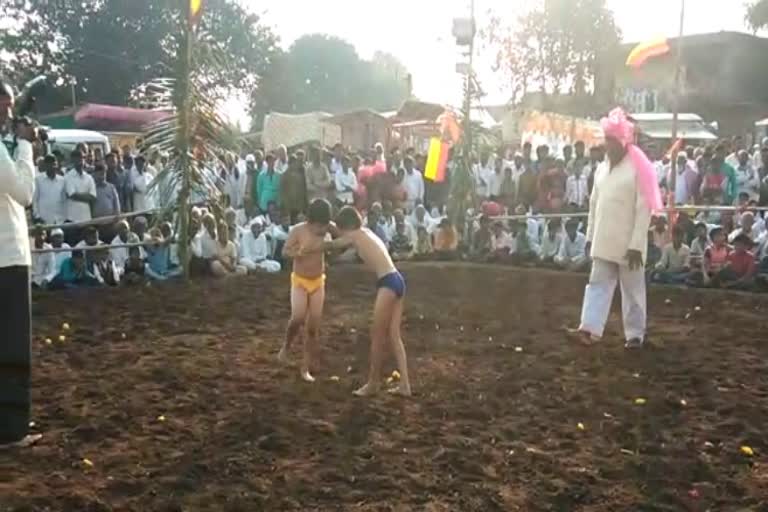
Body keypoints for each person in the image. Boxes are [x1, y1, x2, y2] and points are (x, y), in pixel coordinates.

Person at [572, 108, 661, 349]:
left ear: (623, 141)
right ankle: (589, 328)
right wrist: (590, 236)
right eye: (606, 140)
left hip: (629, 243)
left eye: (612, 140)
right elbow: (593, 204)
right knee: (597, 283)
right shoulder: (602, 167)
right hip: (603, 238)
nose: (607, 145)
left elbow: (644, 210)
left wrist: (635, 245)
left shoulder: (638, 168)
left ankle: (634, 335)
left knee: (632, 290)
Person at [319, 206, 411, 397]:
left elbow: (333, 245)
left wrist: (310, 246)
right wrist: (329, 225)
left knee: (377, 336)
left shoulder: (355, 236)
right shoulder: (365, 232)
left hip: (387, 283)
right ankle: (405, 385)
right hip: (397, 280)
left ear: (348, 226)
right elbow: (341, 234)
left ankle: (373, 383)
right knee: (394, 336)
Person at [277, 199, 333, 382]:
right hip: (300, 280)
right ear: (310, 221)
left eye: (324, 226)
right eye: (319, 226)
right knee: (298, 317)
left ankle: (305, 368)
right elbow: (284, 252)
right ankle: (286, 346)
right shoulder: (298, 230)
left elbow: (343, 238)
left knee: (312, 327)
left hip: (318, 280)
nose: (321, 230)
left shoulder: (327, 228)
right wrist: (297, 253)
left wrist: (331, 244)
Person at [64, 150, 96, 224]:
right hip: (72, 218)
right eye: (78, 158)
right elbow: (72, 195)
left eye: (83, 158)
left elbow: (93, 197)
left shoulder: (89, 177)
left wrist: (78, 195)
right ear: (73, 160)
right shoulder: (68, 177)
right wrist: (87, 196)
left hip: (87, 218)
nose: (81, 160)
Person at [32, 154, 65, 225]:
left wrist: (64, 218)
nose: (52, 167)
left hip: (59, 221)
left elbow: (64, 201)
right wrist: (37, 216)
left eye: (54, 164)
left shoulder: (62, 180)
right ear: (45, 165)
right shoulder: (38, 180)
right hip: (43, 222)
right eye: (49, 164)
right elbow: (35, 200)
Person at [280, 155, 308, 224]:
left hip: (300, 205)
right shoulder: (284, 175)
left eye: (295, 163)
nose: (294, 165)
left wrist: (304, 204)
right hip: (290, 206)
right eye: (292, 163)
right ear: (289, 164)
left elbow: (304, 190)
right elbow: (283, 192)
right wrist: (286, 207)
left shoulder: (301, 175)